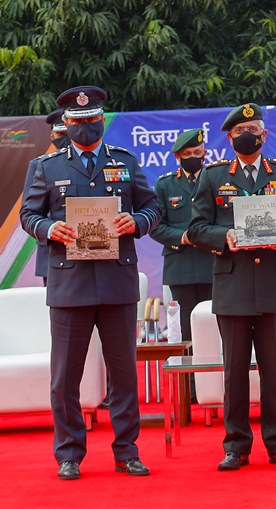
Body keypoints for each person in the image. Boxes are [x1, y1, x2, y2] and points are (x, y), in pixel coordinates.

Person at [20, 86, 161, 480]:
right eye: (78, 122)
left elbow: (152, 206)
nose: (86, 127)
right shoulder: (46, 167)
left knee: (124, 374)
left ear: (102, 120)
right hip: (69, 283)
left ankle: (127, 451)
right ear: (67, 124)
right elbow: (29, 215)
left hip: (117, 280)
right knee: (65, 376)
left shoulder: (124, 161)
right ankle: (69, 453)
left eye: (93, 120)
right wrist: (50, 228)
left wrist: (137, 221)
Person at [187, 103, 276, 471]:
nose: (247, 135)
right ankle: (236, 446)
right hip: (233, 284)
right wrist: (224, 236)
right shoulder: (213, 176)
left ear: (264, 135)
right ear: (229, 138)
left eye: (253, 129)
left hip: (272, 282)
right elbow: (196, 229)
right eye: (240, 131)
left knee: (274, 369)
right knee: (235, 369)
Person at [150, 128, 214, 347]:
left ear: (205, 153)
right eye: (187, 154)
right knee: (185, 331)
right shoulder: (165, 184)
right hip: (180, 266)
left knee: (213, 325)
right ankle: (189, 371)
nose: (193, 157)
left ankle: (217, 368)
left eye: (198, 152)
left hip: (213, 263)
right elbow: (155, 227)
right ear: (177, 156)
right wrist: (183, 237)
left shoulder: (216, 179)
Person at [22, 108, 71, 287]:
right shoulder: (39, 165)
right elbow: (29, 212)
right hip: (53, 251)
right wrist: (51, 228)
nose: (65, 139)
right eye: (60, 134)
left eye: (67, 134)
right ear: (52, 136)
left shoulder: (93, 163)